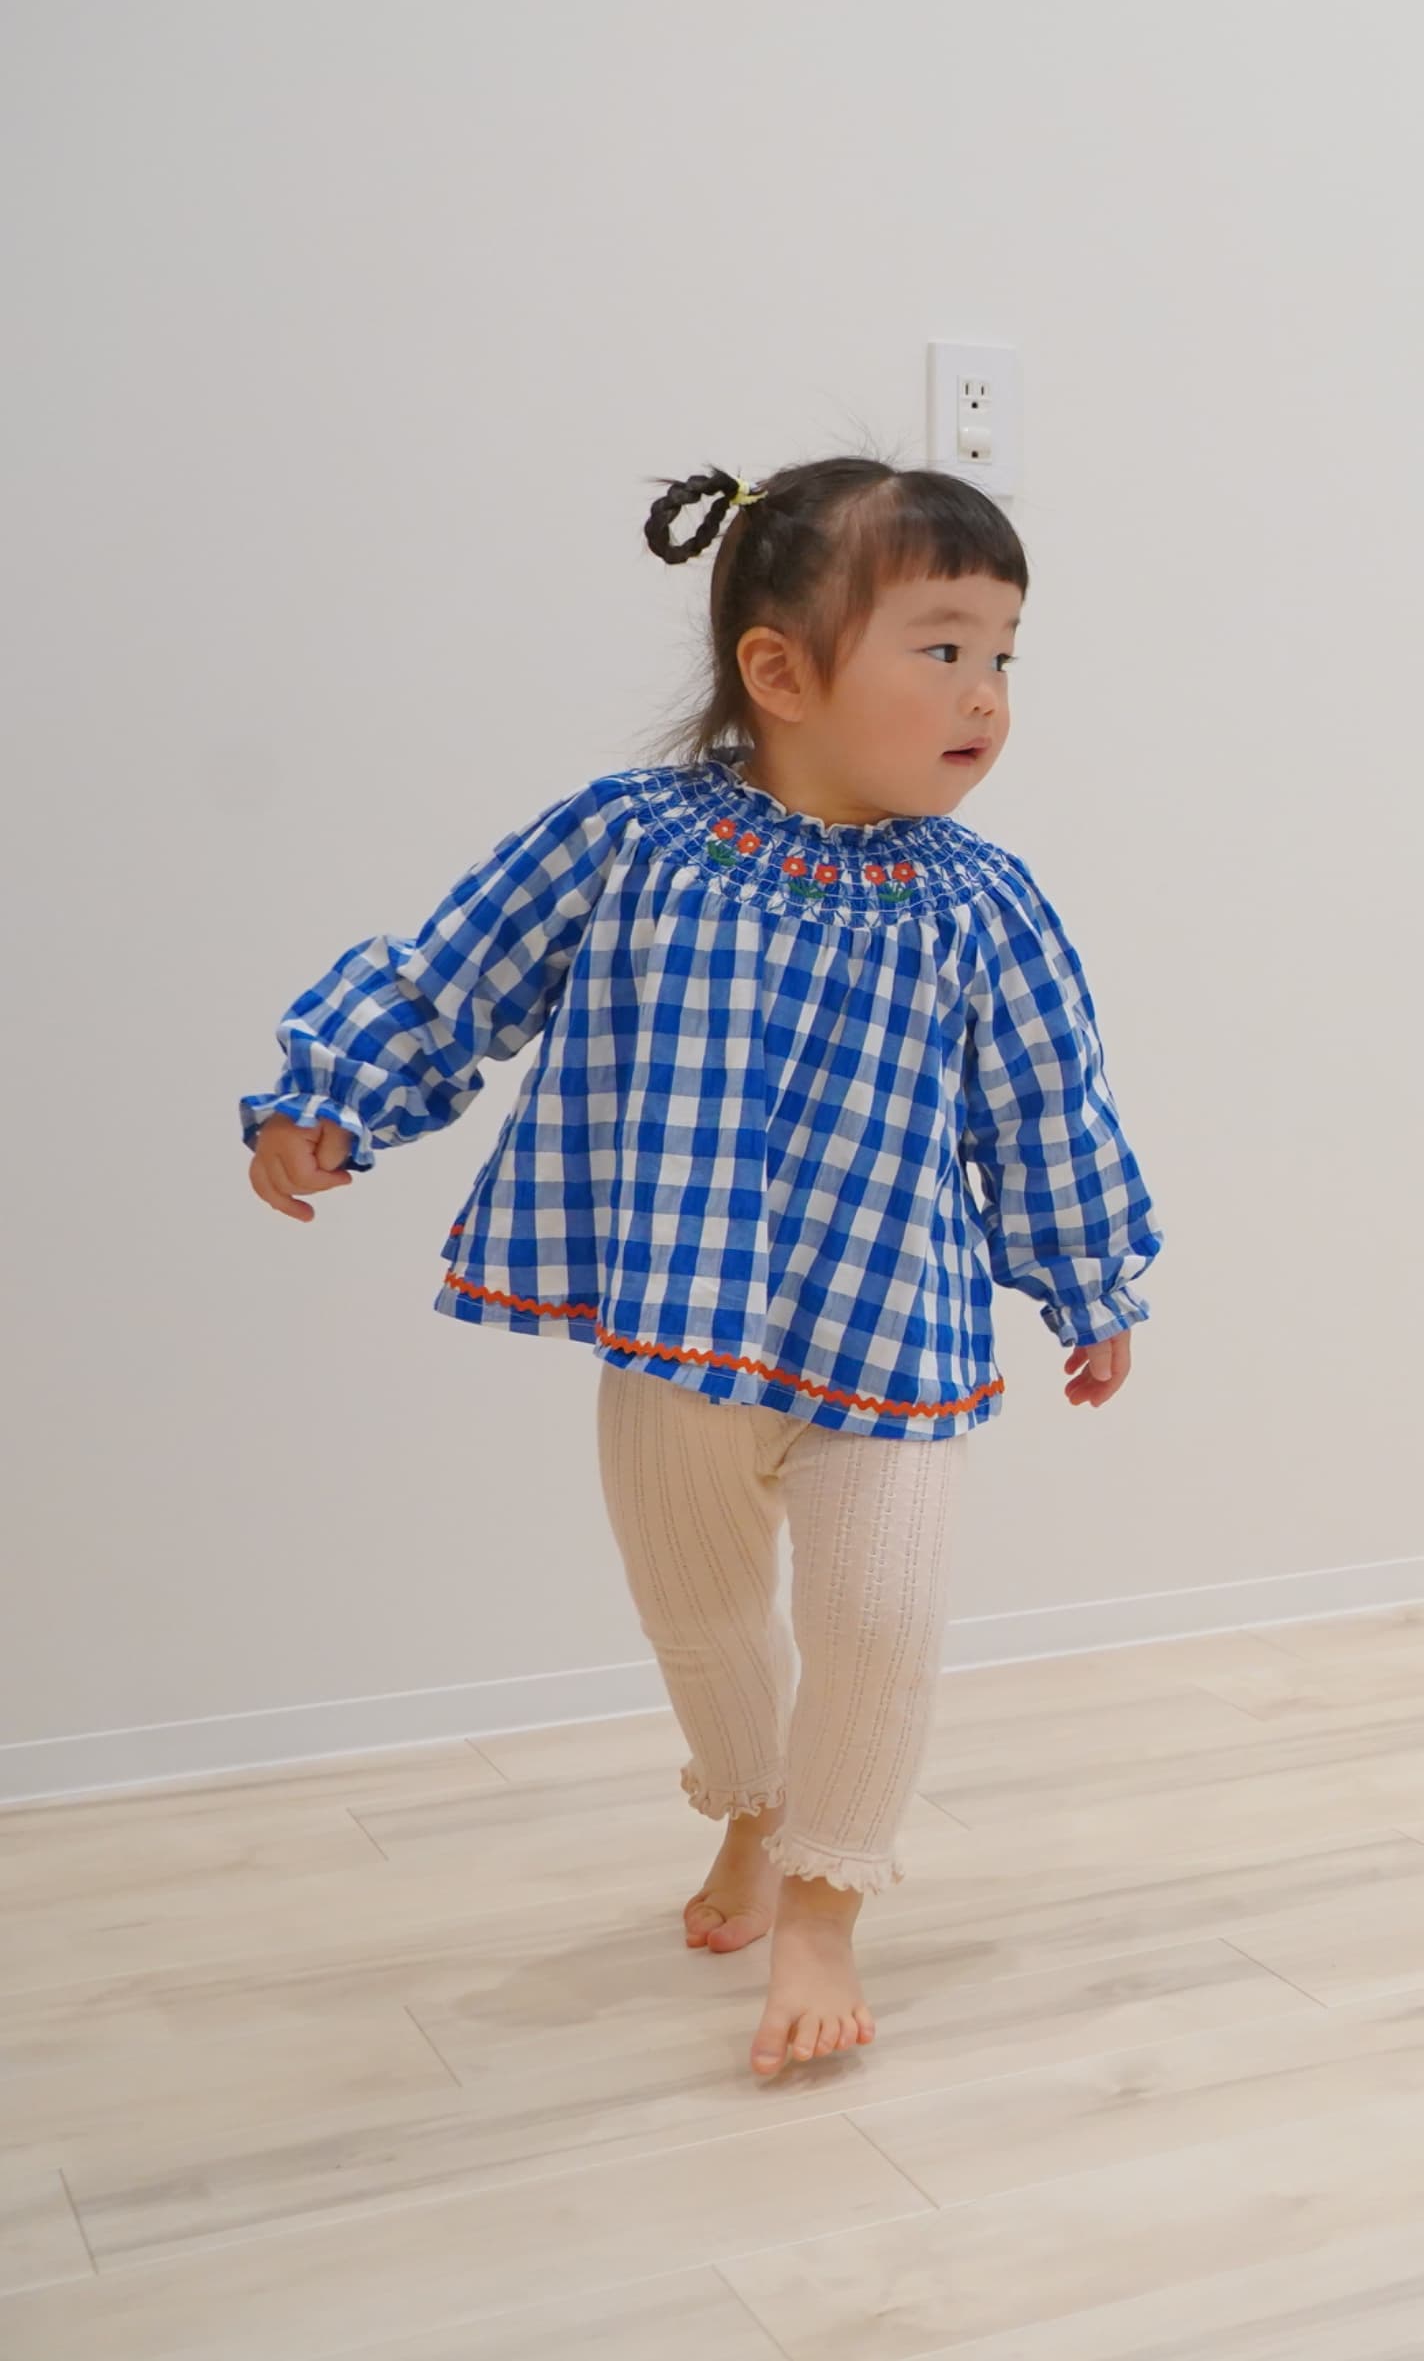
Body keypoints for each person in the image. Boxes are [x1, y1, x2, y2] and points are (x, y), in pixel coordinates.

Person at [241, 458, 1159, 2070]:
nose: (987, 695)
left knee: (882, 1623)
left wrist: (1090, 1283)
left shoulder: (983, 903)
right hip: (677, 1326)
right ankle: (753, 1801)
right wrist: (334, 1097)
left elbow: (1046, 1108)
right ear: (781, 672)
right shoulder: (629, 842)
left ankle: (823, 1905)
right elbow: (455, 976)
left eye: (1005, 655)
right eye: (944, 648)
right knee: (705, 1622)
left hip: (891, 1333)